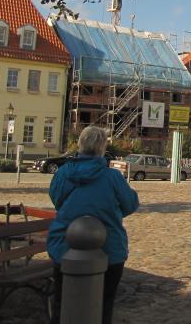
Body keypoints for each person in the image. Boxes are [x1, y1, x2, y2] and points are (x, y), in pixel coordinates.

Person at [48, 126, 138, 324]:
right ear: (102, 148)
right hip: (109, 249)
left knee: (62, 305)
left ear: (80, 145)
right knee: (103, 308)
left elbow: (57, 200)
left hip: (63, 246)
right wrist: (108, 213)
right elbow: (130, 204)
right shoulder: (112, 177)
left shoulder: (63, 174)